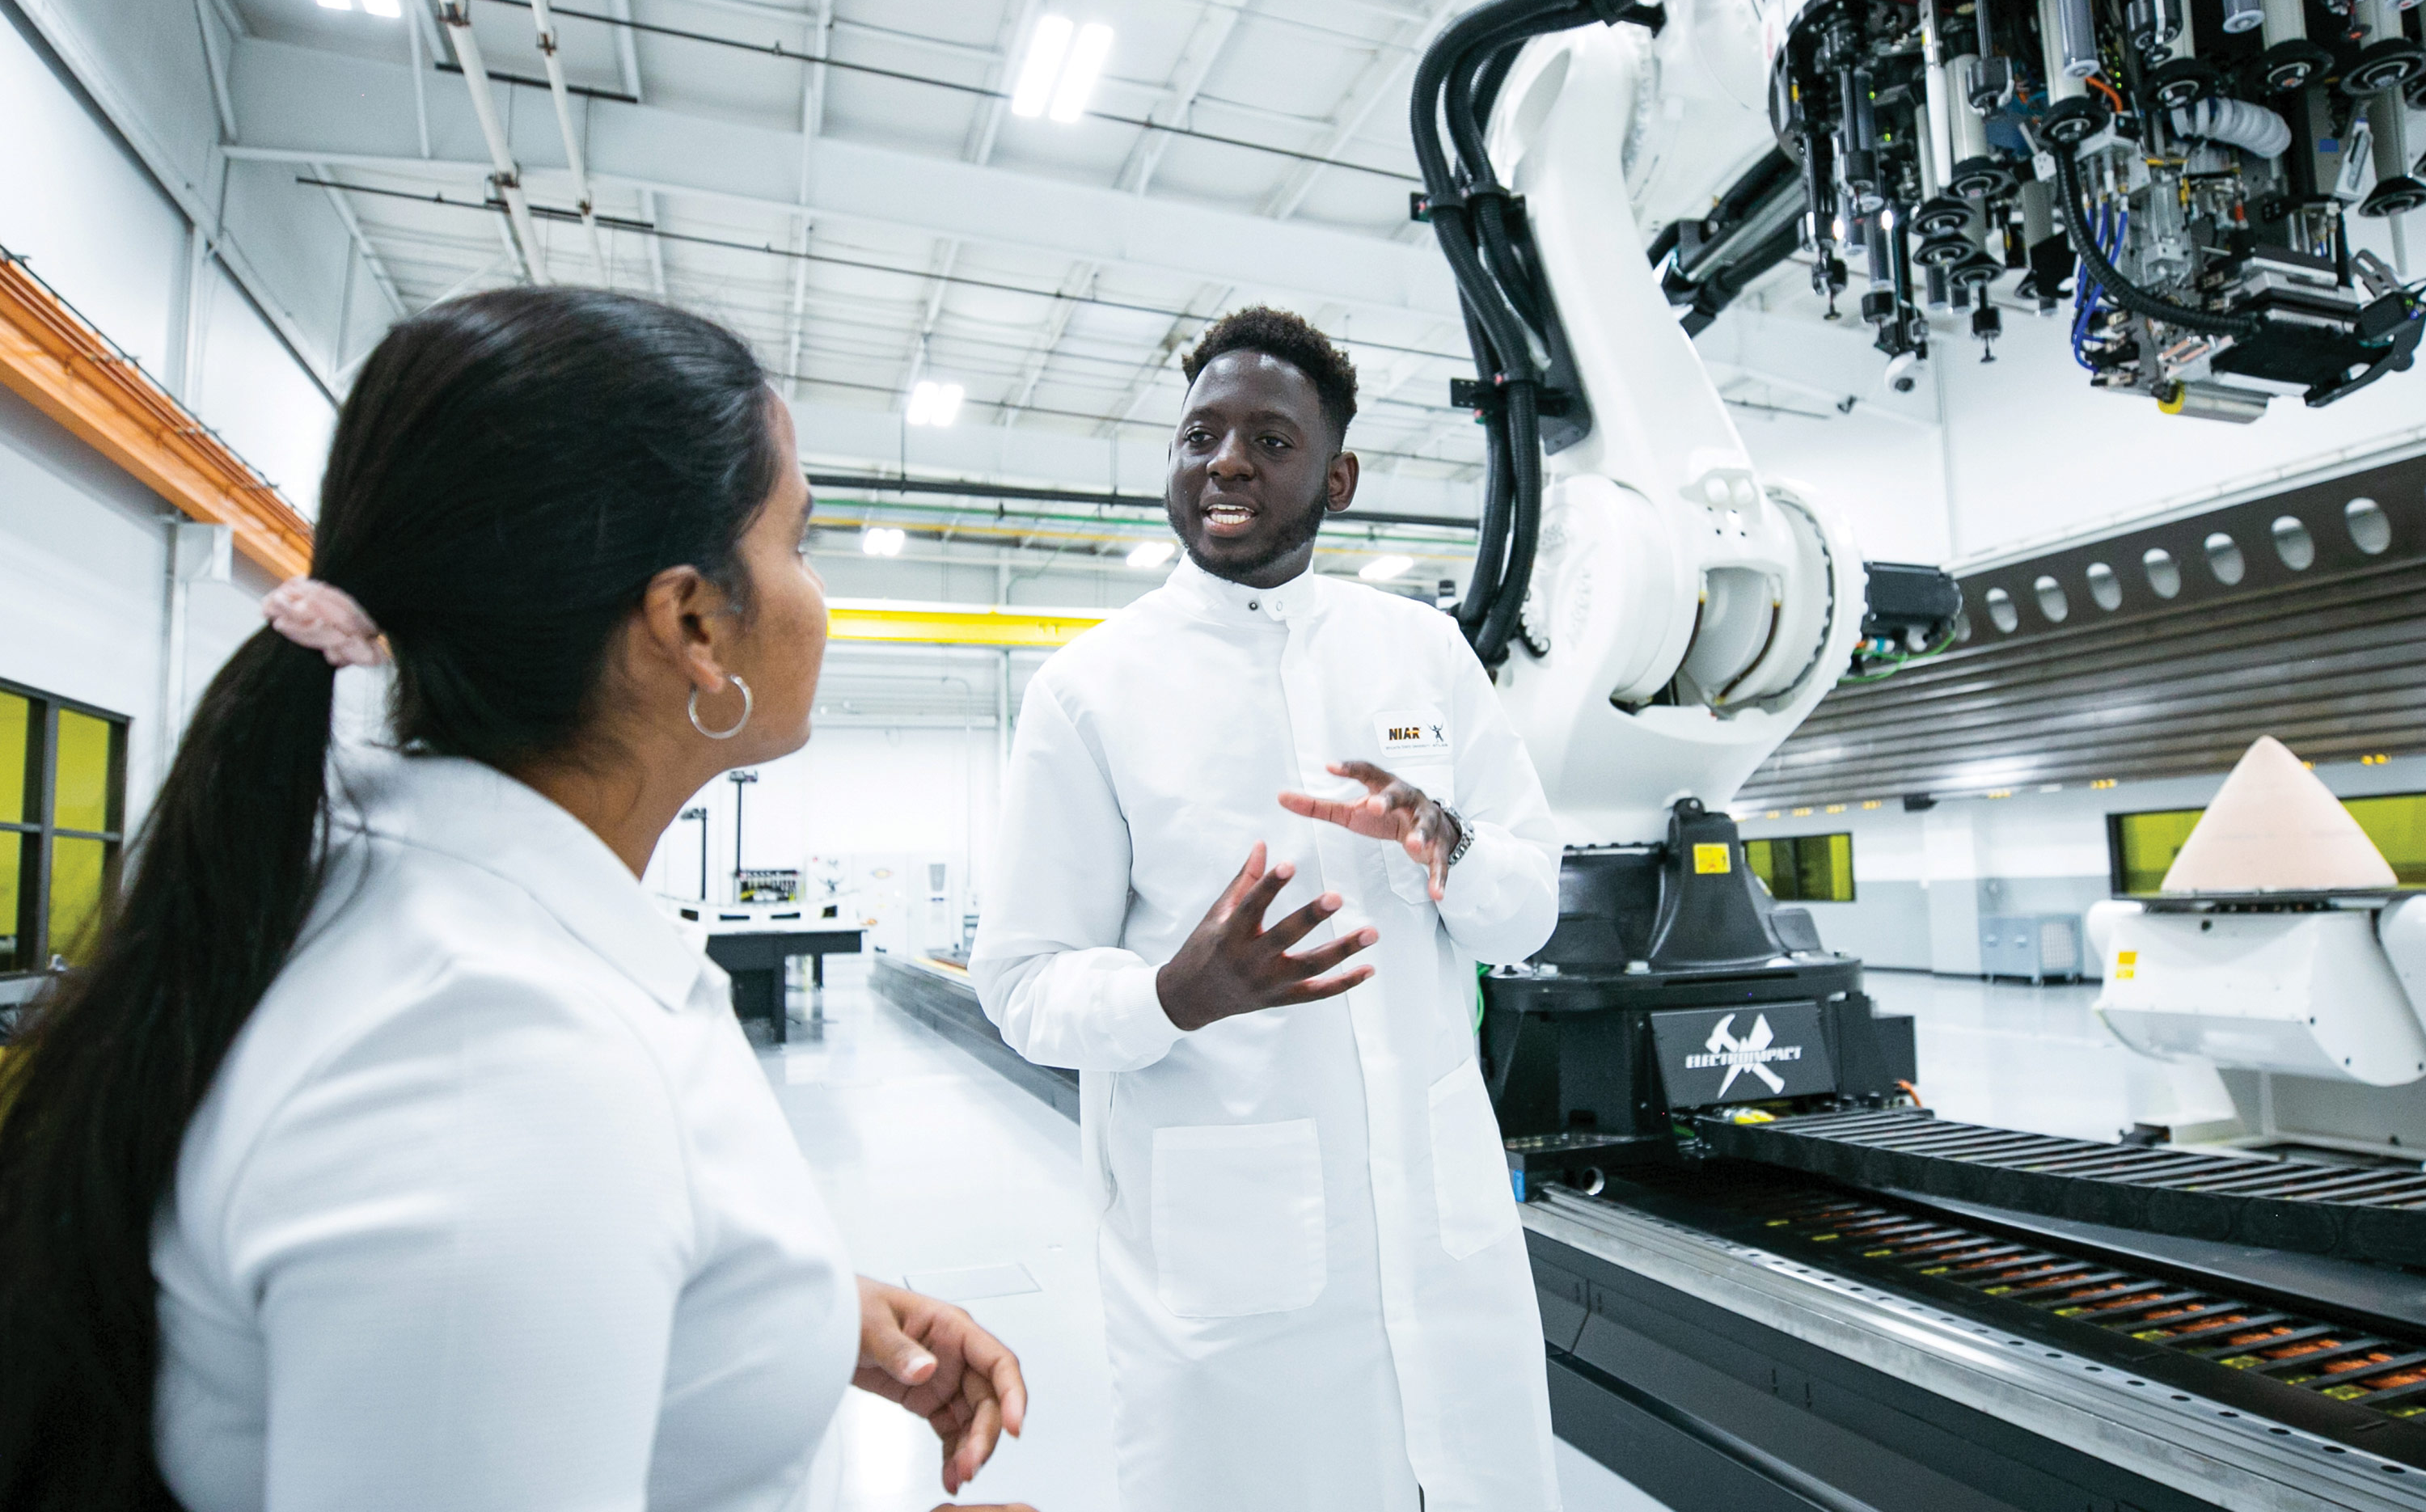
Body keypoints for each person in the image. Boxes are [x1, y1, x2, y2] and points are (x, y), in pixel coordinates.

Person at [0, 289, 1033, 1512]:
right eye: (798, 543)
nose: (817, 593)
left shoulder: (409, 921)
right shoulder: (495, 1061)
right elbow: (494, 1220)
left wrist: (771, 1311)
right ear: (692, 623)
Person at [972, 307, 1564, 1511]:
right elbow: (1021, 979)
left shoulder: (1424, 653)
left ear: (1337, 479)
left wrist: (1445, 841)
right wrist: (1171, 995)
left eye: (1270, 440)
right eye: (1200, 436)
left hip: (1442, 1239)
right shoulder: (1091, 690)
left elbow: (1529, 909)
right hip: (1231, 1269)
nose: (1226, 462)